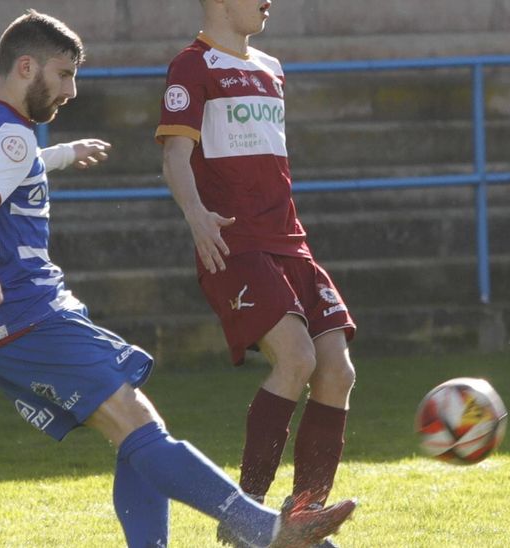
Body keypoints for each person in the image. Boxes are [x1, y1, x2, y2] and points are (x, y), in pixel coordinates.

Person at [0, 10, 355, 548]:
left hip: (22, 320)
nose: (70, 91)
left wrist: (62, 154)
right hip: (26, 315)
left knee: (137, 429)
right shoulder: (10, 136)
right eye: (64, 75)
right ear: (26, 67)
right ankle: (259, 528)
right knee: (136, 423)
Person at [156, 0, 358, 543]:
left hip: (290, 243)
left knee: (337, 372)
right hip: (235, 244)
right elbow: (175, 155)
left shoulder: (271, 68)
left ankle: (303, 520)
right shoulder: (191, 67)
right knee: (296, 358)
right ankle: (248, 519)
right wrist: (197, 218)